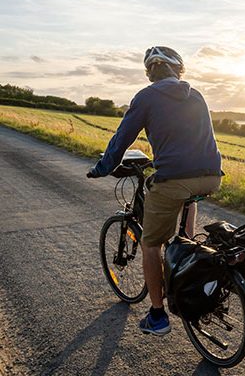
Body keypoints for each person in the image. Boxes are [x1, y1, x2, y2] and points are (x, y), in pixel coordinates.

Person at [87, 46, 223, 336]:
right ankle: (186, 245)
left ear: (150, 73)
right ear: (179, 70)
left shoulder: (146, 97)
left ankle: (158, 316)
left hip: (175, 179)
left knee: (152, 244)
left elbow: (122, 137)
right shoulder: (196, 95)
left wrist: (102, 167)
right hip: (212, 176)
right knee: (185, 194)